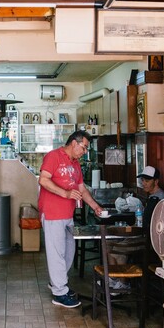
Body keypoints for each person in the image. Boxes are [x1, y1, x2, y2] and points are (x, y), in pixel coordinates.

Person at [38, 130, 103, 308]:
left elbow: (82, 190)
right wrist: (65, 193)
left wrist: (95, 205)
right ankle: (59, 293)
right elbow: (43, 180)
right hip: (52, 213)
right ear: (74, 143)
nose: (84, 151)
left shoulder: (76, 164)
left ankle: (57, 283)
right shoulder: (54, 157)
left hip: (67, 215)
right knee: (56, 253)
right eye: (84, 147)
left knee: (68, 251)